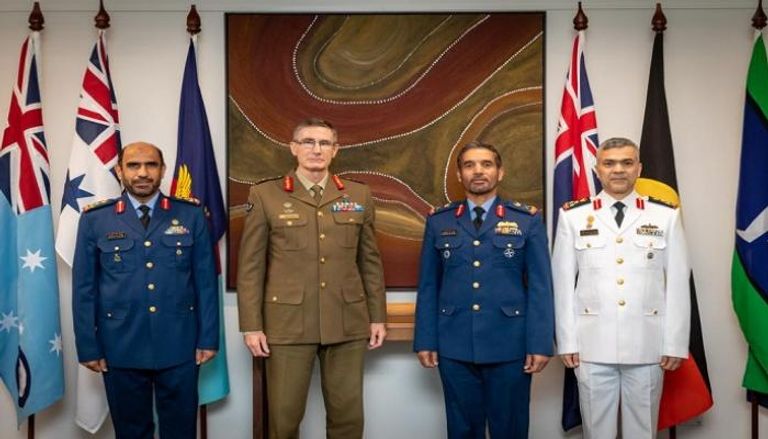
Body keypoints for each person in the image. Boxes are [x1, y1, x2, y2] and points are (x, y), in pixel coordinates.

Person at [237, 118, 387, 439]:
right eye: (308, 142)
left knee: (348, 419)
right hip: (287, 323)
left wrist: (377, 317)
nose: (316, 149)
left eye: (324, 143)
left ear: (335, 150)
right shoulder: (266, 195)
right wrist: (251, 325)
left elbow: (370, 263)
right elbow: (251, 267)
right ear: (294, 148)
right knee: (284, 419)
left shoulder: (358, 194)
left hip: (347, 321)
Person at [72, 142, 219, 439]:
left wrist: (208, 338)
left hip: (180, 344)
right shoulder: (95, 219)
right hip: (120, 346)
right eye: (133, 165)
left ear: (162, 170)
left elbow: (205, 282)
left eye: (151, 165)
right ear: (120, 171)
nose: (142, 173)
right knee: (131, 432)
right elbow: (84, 288)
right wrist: (88, 346)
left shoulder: (190, 215)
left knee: (180, 432)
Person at [413, 141, 554, 438]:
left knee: (510, 429)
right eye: (469, 165)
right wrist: (425, 339)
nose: (478, 171)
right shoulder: (439, 221)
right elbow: (428, 286)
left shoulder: (526, 219)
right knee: (462, 429)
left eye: (486, 164)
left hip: (510, 345)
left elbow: (541, 286)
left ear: (500, 172)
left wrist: (540, 343)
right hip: (454, 344)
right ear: (459, 174)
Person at [552, 137, 690, 439]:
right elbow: (561, 284)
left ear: (638, 168)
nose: (618, 170)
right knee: (596, 432)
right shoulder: (573, 216)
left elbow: (679, 283)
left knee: (642, 431)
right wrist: (567, 340)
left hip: (648, 345)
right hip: (591, 345)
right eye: (609, 163)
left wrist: (675, 343)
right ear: (597, 169)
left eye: (627, 163)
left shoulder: (665, 215)